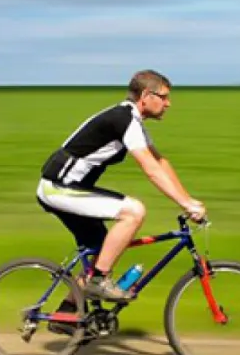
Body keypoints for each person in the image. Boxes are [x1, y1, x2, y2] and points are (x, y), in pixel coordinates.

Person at [36, 69, 207, 307]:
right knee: (133, 211)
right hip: (58, 188)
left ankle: (68, 313)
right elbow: (150, 169)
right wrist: (185, 204)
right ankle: (98, 281)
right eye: (164, 97)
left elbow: (160, 162)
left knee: (103, 253)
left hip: (68, 189)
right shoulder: (124, 120)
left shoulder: (131, 120)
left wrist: (189, 199)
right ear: (146, 95)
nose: (168, 104)